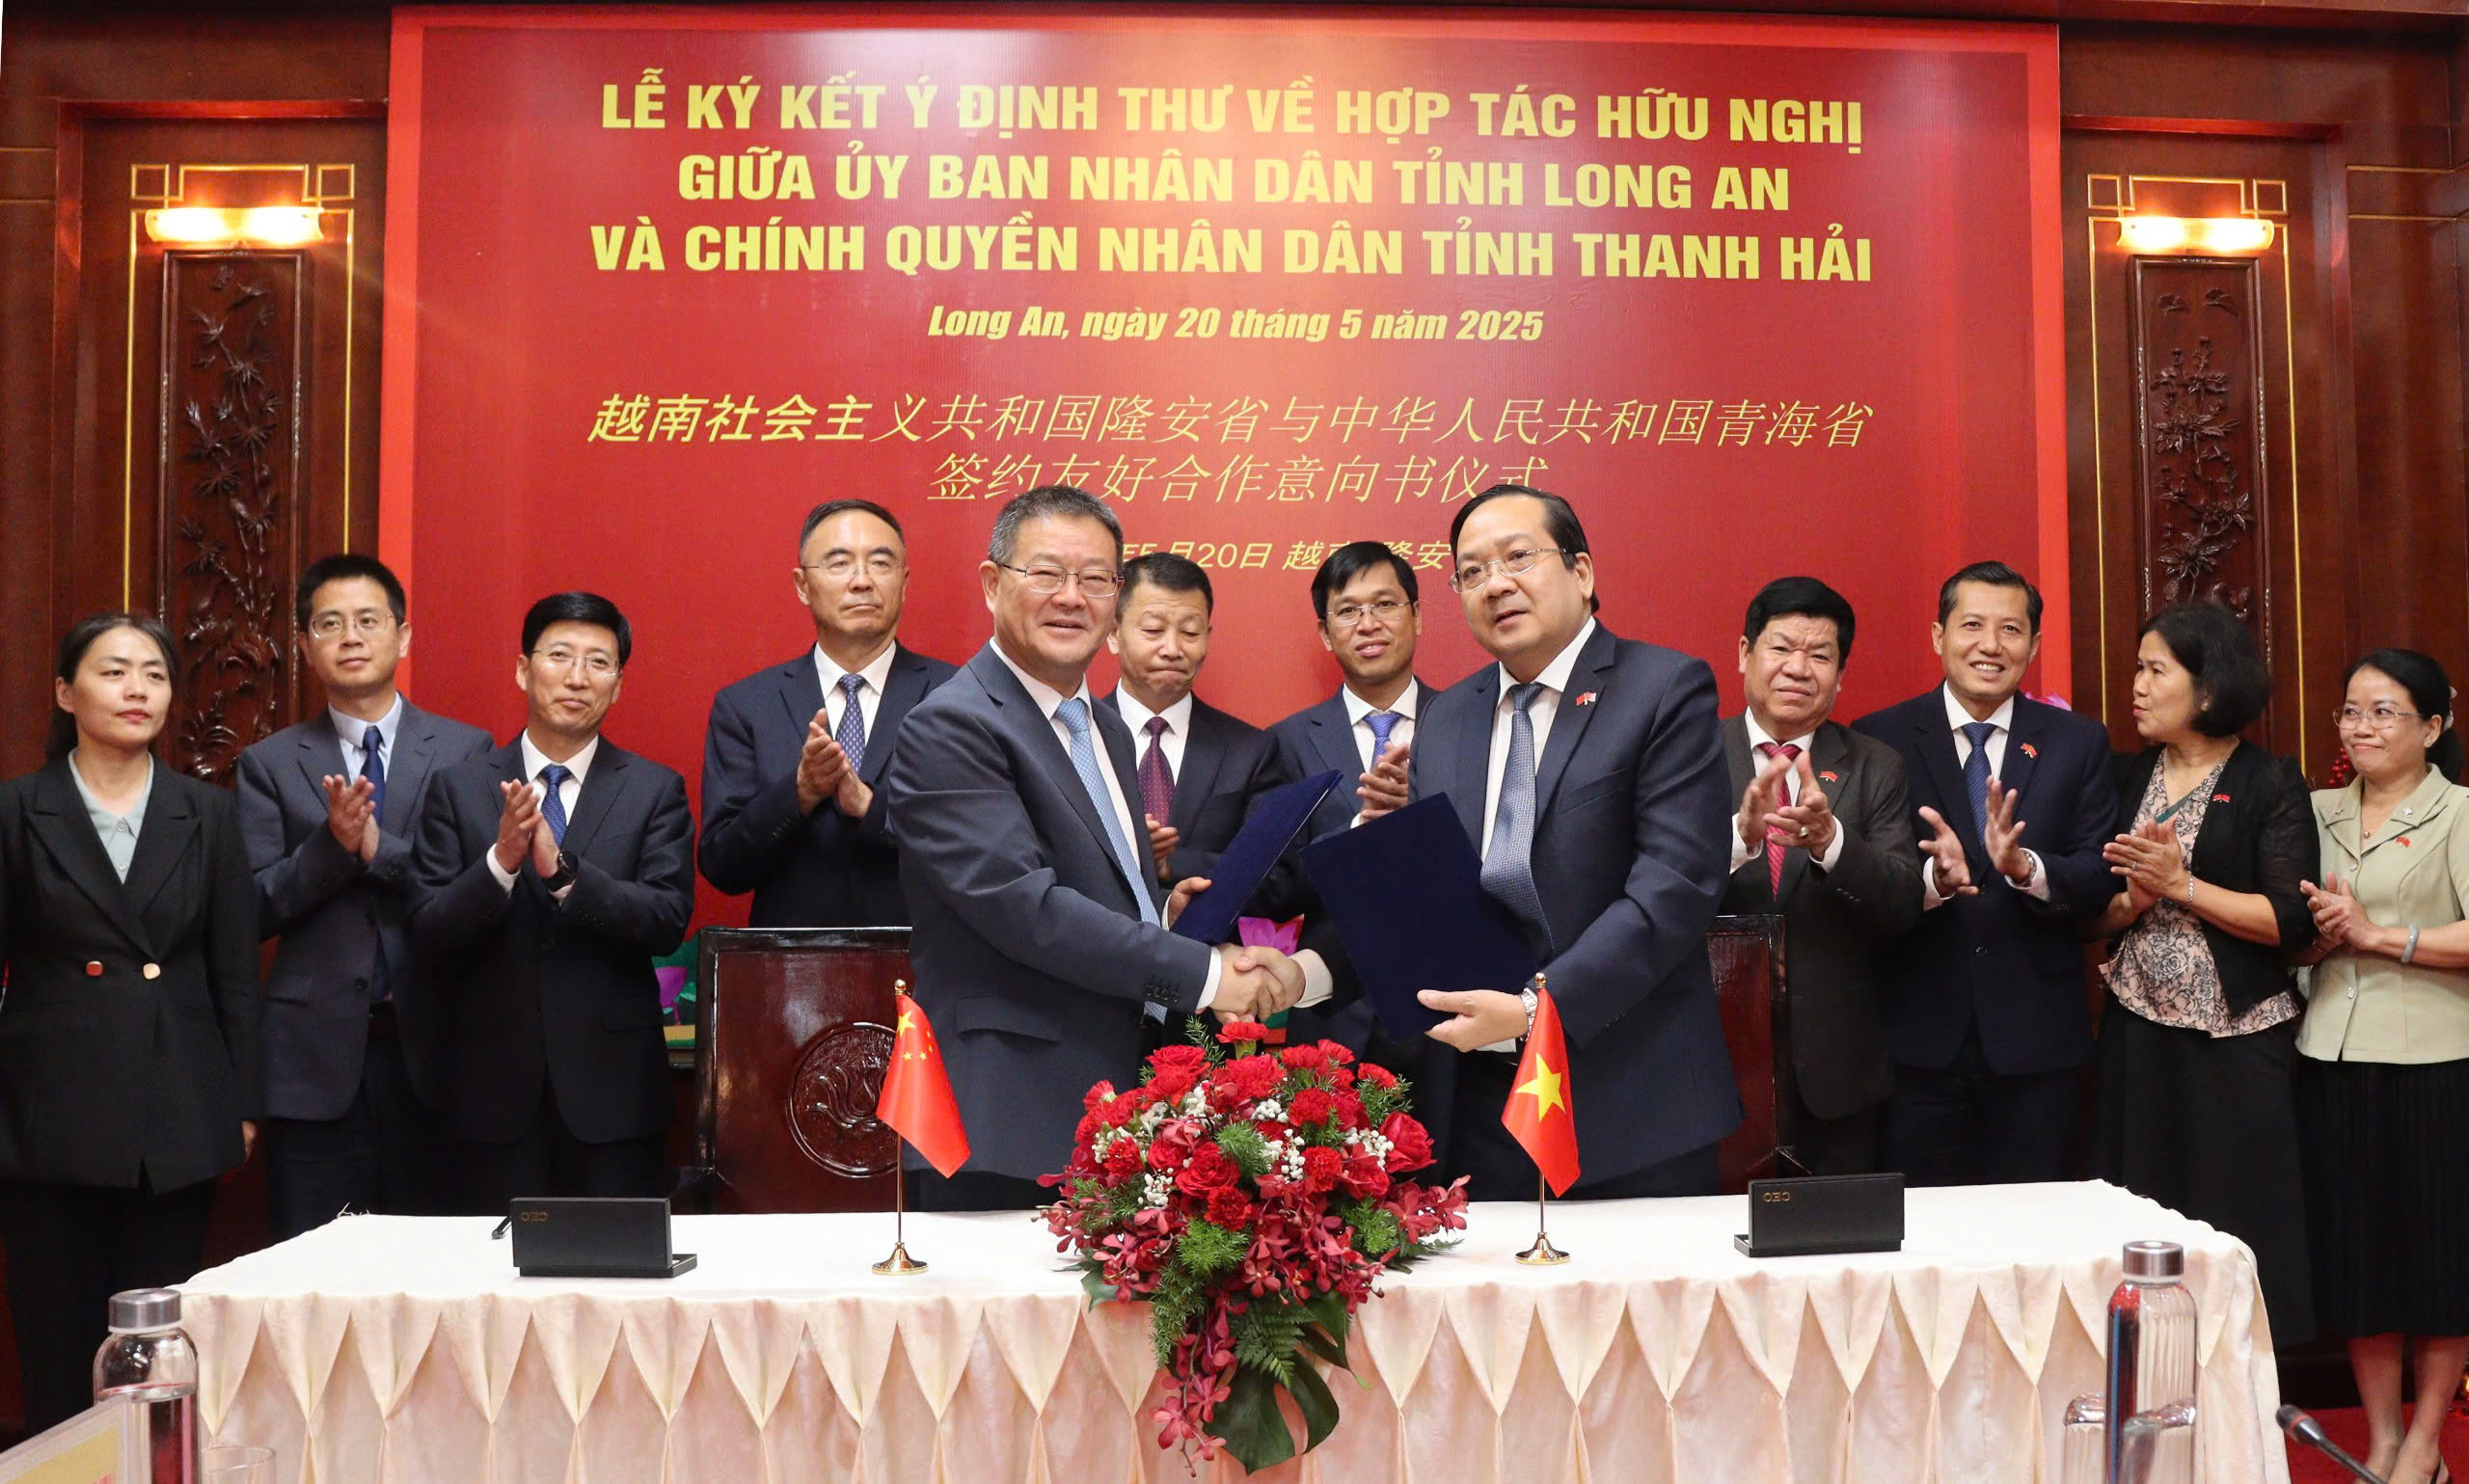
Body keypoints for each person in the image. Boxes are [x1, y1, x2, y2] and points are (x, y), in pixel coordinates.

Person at [883, 486, 1311, 1210]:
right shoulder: (951, 725)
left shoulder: (1102, 727)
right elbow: (1026, 910)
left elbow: (1094, 892)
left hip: (1115, 1107)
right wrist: (1207, 973)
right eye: (1047, 573)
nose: (1071, 597)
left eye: (1095, 579)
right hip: (1007, 1118)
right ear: (992, 584)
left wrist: (1162, 917)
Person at [1369, 483, 1742, 1200]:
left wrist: (1538, 1010)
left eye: (1518, 557)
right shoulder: (1445, 718)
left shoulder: (1664, 687)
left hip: (1633, 1102)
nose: (1495, 584)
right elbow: (1436, 897)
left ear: (1581, 571)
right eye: (1472, 571)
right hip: (1483, 1103)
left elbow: (1674, 887)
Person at [0, 614, 259, 1432]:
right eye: (113, 671)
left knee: (155, 1358)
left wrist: (242, 1104)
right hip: (46, 1117)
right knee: (57, 1346)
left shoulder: (207, 812)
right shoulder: (17, 810)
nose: (136, 689)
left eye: (153, 673)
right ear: (65, 692)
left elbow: (235, 972)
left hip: (173, 1111)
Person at [408, 593, 695, 1207]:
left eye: (598, 662)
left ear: (618, 685)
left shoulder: (654, 790)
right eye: (560, 655)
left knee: (614, 1268)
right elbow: (427, 929)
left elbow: (666, 918)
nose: (577, 677)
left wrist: (565, 877)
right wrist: (500, 863)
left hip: (612, 1093)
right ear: (523, 669)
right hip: (489, 1091)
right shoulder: (459, 789)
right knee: (491, 1266)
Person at [235, 555, 492, 1239]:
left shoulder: (467, 751)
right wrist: (330, 845)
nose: (350, 637)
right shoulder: (269, 762)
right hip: (312, 1064)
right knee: (316, 1265)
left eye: (368, 621)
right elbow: (251, 907)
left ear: (403, 636)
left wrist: (377, 848)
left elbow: (474, 891)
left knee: (438, 1267)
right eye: (330, 623)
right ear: (304, 644)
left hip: (437, 1052)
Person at [2090, 604, 2315, 1346]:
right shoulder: (2126, 775)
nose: (2137, 685)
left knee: (2235, 1217)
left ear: (2209, 688)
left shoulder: (2268, 781)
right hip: (2136, 1030)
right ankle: (2143, 1368)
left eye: (2156, 670)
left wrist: (2181, 885)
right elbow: (2094, 915)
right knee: (2139, 1215)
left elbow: (2289, 920)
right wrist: (2135, 900)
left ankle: (2241, 1382)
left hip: (2236, 1037)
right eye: (2138, 668)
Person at [1852, 561, 2118, 1185]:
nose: (1991, 645)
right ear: (1938, 636)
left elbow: (2098, 874)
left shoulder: (2078, 742)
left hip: (2037, 1043)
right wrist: (1933, 882)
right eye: (1972, 625)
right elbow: (1863, 880)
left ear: (2034, 644)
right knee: (1922, 1229)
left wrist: (2026, 868)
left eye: (2010, 629)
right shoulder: (1880, 738)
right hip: (1915, 1038)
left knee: (2035, 1227)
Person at [2295, 648, 2469, 1484]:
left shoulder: (2459, 812)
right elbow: (2290, 931)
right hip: (2333, 1056)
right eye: (2351, 711)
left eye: (2384, 712)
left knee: (2439, 1261)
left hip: (2436, 1063)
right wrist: (2315, 941)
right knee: (2359, 1261)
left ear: (2432, 728)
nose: (2361, 727)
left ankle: (2428, 1440)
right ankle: (2383, 1439)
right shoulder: (2314, 810)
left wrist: (2379, 936)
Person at [1719, 577, 1920, 1174]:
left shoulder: (1876, 765)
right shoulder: (1689, 753)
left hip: (1836, 1073)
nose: (1798, 669)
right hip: (1712, 1060)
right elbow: (1652, 884)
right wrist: (1740, 840)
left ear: (1840, 675)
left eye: (1820, 655)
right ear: (1744, 653)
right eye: (1781, 648)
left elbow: (1903, 901)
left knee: (1837, 1232)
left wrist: (1832, 843)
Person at [698, 499, 956, 927]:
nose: (862, 581)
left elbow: (975, 842)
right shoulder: (746, 706)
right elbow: (723, 864)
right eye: (839, 564)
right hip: (792, 964)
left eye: (880, 563)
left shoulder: (957, 696)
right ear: (802, 585)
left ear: (904, 582)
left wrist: (870, 806)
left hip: (927, 960)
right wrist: (799, 792)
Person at [1099, 552, 1289, 886]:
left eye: (1190, 632)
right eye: (1153, 630)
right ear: (1114, 633)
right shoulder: (1076, 735)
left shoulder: (1251, 751)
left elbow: (1277, 875)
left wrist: (1171, 865)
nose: (1173, 649)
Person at [1269, 540, 1430, 843]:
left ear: (1417, 616)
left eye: (1385, 604)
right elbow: (1282, 863)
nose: (1368, 625)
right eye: (1348, 611)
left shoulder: (1464, 720)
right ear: (1325, 634)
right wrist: (1362, 826)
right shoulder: (1286, 743)